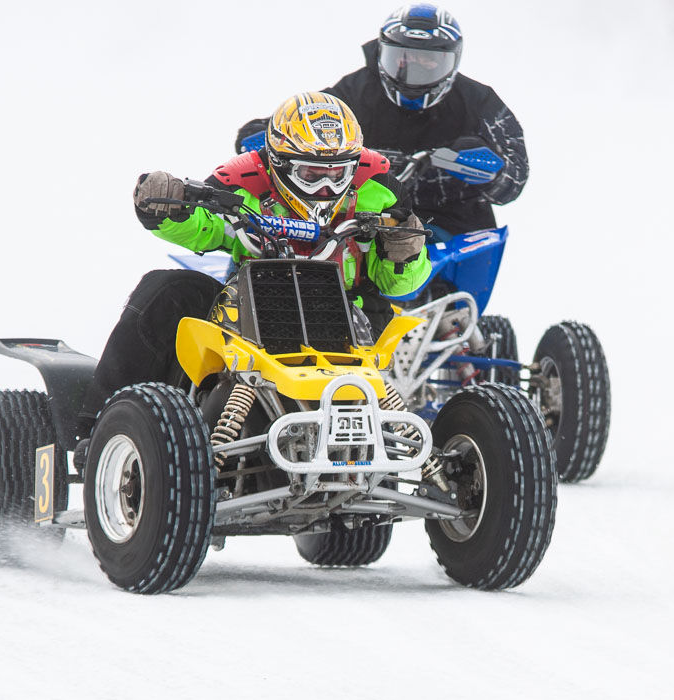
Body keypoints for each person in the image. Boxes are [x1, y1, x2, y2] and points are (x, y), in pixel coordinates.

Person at [75, 91, 430, 441]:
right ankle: (102, 430)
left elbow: (400, 284)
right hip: (251, 306)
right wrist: (167, 207)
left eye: (338, 175)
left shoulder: (380, 187)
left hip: (350, 309)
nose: (325, 188)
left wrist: (405, 253)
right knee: (168, 291)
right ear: (279, 164)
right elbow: (205, 224)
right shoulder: (241, 181)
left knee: (387, 320)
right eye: (311, 174)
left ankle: (393, 447)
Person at [235, 4, 527, 238]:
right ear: (381, 53)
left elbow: (515, 179)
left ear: (452, 61)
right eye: (402, 57)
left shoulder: (479, 101)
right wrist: (270, 134)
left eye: (428, 60)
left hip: (450, 217)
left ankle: (450, 304)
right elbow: (309, 115)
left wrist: (483, 166)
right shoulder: (357, 90)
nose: (413, 67)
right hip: (360, 210)